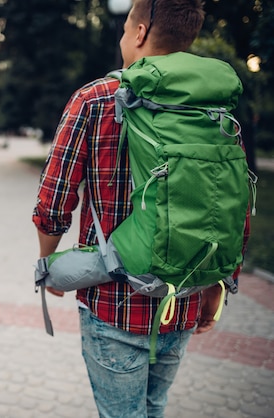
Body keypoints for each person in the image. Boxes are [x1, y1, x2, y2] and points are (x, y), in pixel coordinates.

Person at [32, 1, 248, 416]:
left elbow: (53, 201)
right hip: (181, 300)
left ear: (140, 32)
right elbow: (231, 204)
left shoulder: (95, 100)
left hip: (112, 302)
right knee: (154, 408)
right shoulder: (214, 108)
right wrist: (218, 284)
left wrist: (51, 266)